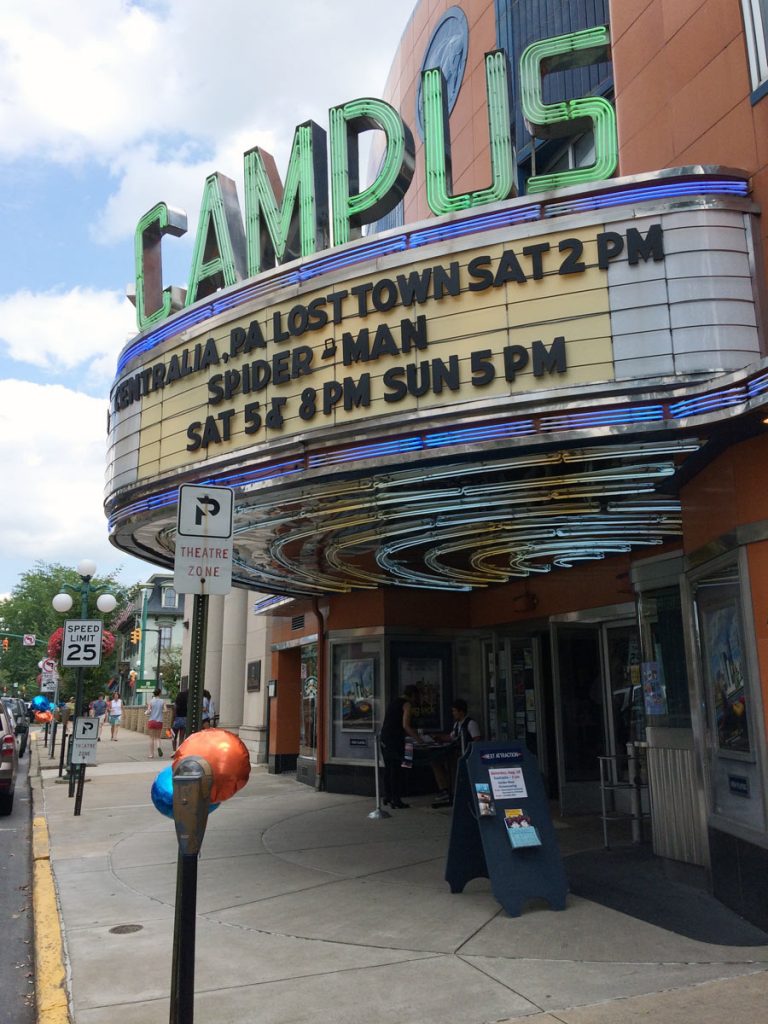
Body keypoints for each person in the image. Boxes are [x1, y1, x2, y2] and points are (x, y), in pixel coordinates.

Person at [430, 698, 482, 808]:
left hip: (466, 754)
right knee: (436, 762)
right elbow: (451, 737)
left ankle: (452, 791)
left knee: (452, 766)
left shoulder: (471, 724)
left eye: (454, 711)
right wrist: (438, 738)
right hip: (455, 753)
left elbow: (477, 739)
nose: (453, 714)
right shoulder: (457, 724)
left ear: (461, 712)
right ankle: (445, 790)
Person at [379, 684, 424, 809]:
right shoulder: (407, 705)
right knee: (397, 769)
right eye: (417, 696)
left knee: (388, 768)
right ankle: (396, 799)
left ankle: (387, 796)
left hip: (385, 738)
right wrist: (419, 739)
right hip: (395, 740)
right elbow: (406, 725)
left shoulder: (394, 702)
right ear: (413, 695)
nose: (417, 700)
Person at [145, 687, 165, 758]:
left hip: (152, 721)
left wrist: (147, 712)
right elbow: (165, 710)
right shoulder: (162, 701)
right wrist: (161, 711)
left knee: (151, 738)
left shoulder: (151, 701)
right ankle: (158, 747)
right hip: (159, 721)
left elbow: (148, 711)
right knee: (158, 737)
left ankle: (151, 754)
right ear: (159, 693)